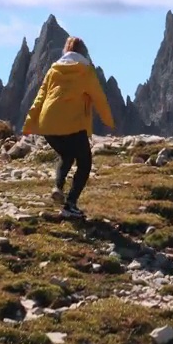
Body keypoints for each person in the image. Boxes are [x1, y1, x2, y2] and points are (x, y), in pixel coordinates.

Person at [21, 35, 115, 218]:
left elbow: (40, 97)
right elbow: (99, 98)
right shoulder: (86, 71)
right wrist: (109, 122)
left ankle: (57, 187)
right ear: (83, 52)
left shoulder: (53, 70)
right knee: (85, 163)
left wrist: (28, 124)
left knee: (67, 155)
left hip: (47, 123)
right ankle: (70, 204)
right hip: (72, 123)